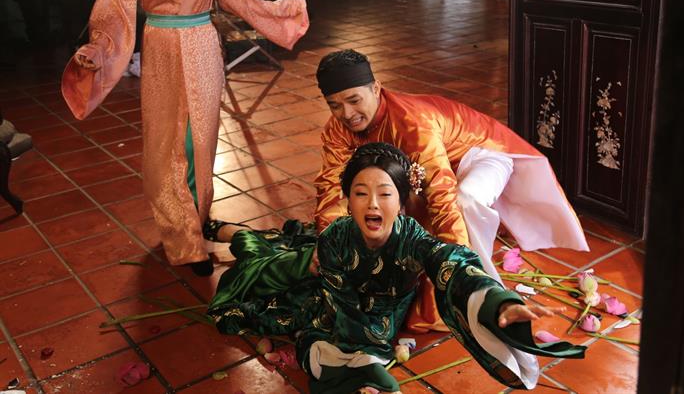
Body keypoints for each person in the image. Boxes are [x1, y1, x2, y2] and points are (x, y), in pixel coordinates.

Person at [207, 143, 586, 394]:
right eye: (361, 193)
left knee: (355, 363)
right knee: (262, 259)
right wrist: (362, 364)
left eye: (385, 193)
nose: (373, 204)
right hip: (330, 305)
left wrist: (498, 303)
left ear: (401, 203)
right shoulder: (336, 239)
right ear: (347, 200)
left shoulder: (411, 239)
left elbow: (451, 261)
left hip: (376, 325)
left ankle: (233, 233)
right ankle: (228, 231)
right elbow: (344, 316)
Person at [61, 0, 309, 276]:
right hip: (161, 51)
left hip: (204, 50)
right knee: (167, 146)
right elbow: (113, 11)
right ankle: (183, 238)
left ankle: (197, 221)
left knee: (199, 143)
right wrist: (98, 49)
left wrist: (279, 13)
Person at [313, 49, 589, 331]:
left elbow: (442, 196)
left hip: (480, 157)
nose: (347, 114)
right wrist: (328, 243)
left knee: (463, 201)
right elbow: (331, 187)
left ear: (376, 88)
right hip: (433, 168)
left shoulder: (412, 124)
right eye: (335, 105)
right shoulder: (337, 128)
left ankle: (481, 289)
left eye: (354, 100)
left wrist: (459, 277)